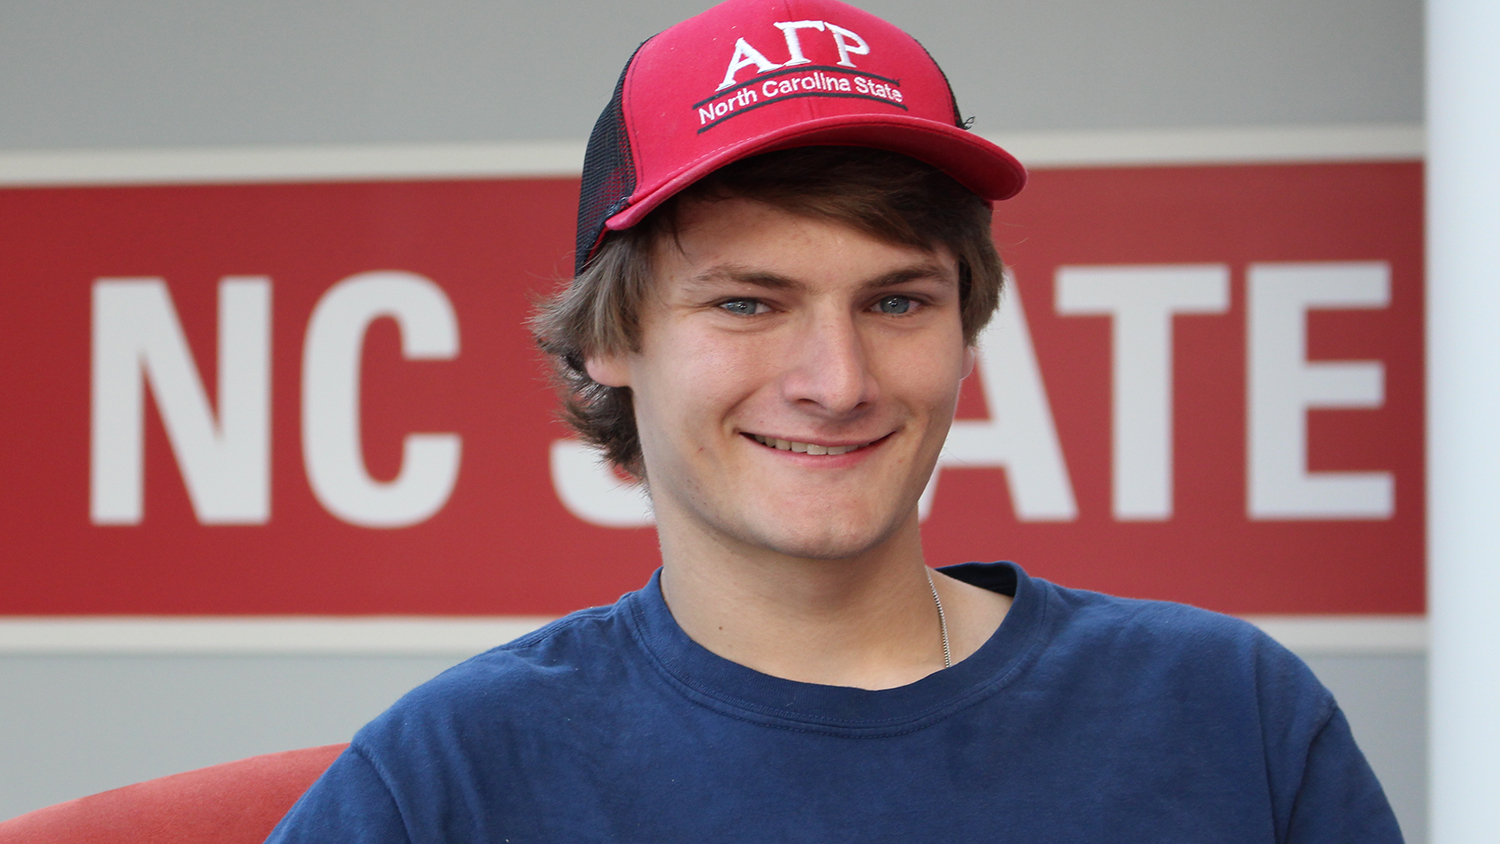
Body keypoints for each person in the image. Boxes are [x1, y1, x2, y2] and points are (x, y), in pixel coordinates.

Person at [266, 0, 1404, 840]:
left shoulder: (1227, 714)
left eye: (897, 300)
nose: (838, 376)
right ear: (609, 342)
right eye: (749, 302)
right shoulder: (448, 778)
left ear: (966, 334)